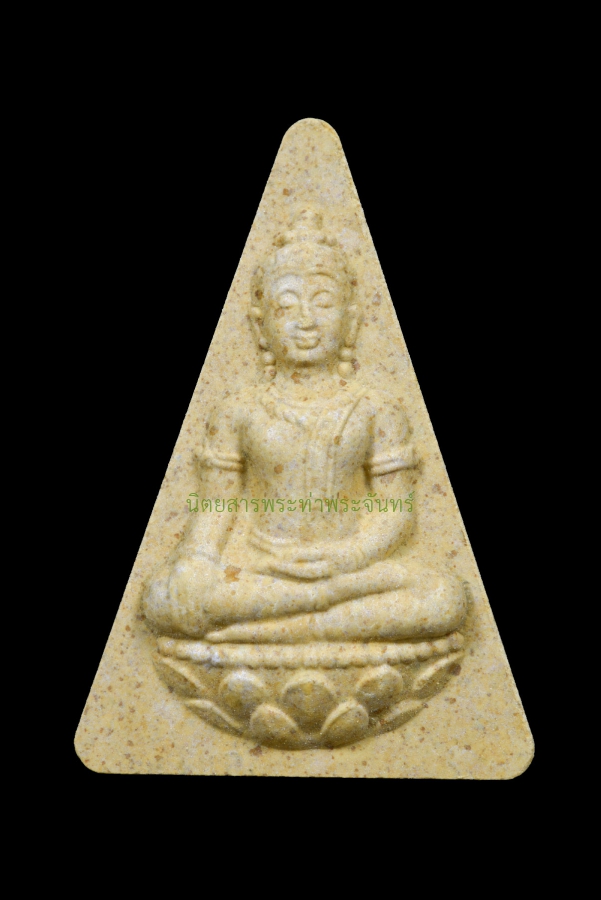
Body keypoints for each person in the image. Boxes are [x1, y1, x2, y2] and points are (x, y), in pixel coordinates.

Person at [143, 210, 466, 644]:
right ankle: (317, 615)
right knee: (164, 598)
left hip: (352, 570)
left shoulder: (376, 409)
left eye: (324, 302)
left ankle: (269, 627)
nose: (307, 320)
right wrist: (197, 561)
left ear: (351, 320)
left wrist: (349, 557)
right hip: (262, 567)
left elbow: (396, 510)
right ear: (261, 325)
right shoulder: (238, 410)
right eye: (287, 305)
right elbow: (216, 507)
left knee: (444, 596)